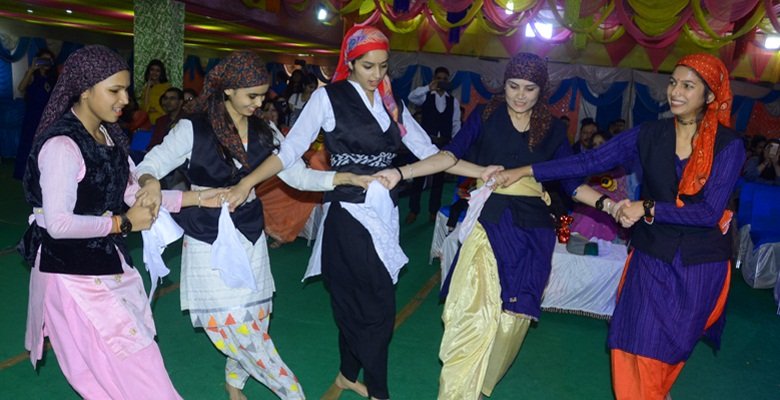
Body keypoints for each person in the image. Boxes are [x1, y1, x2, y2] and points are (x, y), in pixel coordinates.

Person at [223, 26, 457, 400]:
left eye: (383, 66)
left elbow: (431, 152)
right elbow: (289, 152)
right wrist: (248, 181)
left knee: (360, 301)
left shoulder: (391, 102)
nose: (377, 74)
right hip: (346, 214)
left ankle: (348, 374)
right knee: (377, 308)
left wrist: (486, 171)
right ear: (350, 63)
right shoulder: (327, 98)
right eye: (368, 66)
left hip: (384, 215)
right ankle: (379, 392)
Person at [494, 53, 745, 399]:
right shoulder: (651, 133)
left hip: (698, 265)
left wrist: (647, 207)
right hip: (651, 254)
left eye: (688, 86)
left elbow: (707, 212)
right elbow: (589, 161)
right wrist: (527, 171)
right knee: (629, 343)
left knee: (665, 354)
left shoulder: (729, 146)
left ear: (710, 95)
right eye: (673, 83)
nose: (675, 92)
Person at [135, 50, 371, 400]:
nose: (260, 103)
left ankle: (234, 385)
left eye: (263, 95)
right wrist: (151, 183)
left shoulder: (265, 129)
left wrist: (340, 178)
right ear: (228, 90)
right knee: (234, 328)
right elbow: (148, 165)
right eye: (252, 96)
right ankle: (293, 394)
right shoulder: (192, 128)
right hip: (206, 239)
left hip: (249, 233)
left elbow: (297, 175)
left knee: (253, 322)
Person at [16, 44, 219, 400]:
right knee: (133, 369)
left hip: (104, 264)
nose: (125, 99)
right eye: (115, 90)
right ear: (84, 90)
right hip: (72, 275)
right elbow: (58, 224)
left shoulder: (107, 136)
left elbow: (134, 195)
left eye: (126, 89)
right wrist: (122, 224)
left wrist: (201, 198)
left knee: (121, 371)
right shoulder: (62, 146)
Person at [405, 66, 462, 224]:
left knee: (438, 181)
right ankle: (413, 210)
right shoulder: (425, 96)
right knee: (418, 177)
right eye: (439, 78)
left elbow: (456, 123)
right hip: (425, 144)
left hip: (443, 144)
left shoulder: (453, 101)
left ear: (448, 81)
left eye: (444, 79)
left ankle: (433, 211)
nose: (441, 81)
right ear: (434, 79)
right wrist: (428, 87)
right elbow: (411, 97)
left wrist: (456, 145)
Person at [569, 131, 629, 242]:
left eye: (601, 143)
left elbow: (621, 193)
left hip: (610, 207)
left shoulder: (618, 169)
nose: (598, 147)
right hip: (590, 205)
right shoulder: (591, 169)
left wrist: (605, 199)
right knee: (589, 213)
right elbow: (584, 189)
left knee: (597, 213)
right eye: (594, 145)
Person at [14, 49, 58, 180]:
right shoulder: (33, 75)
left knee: (44, 146)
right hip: (32, 116)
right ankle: (24, 173)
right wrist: (31, 69)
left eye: (48, 60)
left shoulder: (53, 78)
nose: (46, 62)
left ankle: (41, 174)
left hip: (47, 118)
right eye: (43, 59)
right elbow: (21, 88)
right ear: (38, 60)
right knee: (28, 144)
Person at [139, 59, 172, 125]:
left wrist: (155, 108)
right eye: (152, 70)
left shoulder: (166, 87)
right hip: (147, 122)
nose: (154, 73)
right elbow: (144, 108)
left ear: (161, 73)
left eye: (157, 71)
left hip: (162, 120)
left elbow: (169, 106)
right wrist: (148, 87)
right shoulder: (146, 89)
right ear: (148, 71)